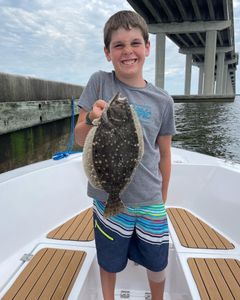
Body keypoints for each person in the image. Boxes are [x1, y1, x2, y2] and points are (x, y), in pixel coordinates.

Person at [74, 10, 176, 300]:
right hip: (107, 197)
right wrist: (93, 119)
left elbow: (165, 155)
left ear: (147, 48)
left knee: (157, 262)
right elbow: (80, 138)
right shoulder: (99, 82)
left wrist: (163, 197)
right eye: (118, 45)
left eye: (134, 43)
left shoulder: (163, 101)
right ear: (107, 53)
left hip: (149, 199)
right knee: (109, 259)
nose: (127, 51)